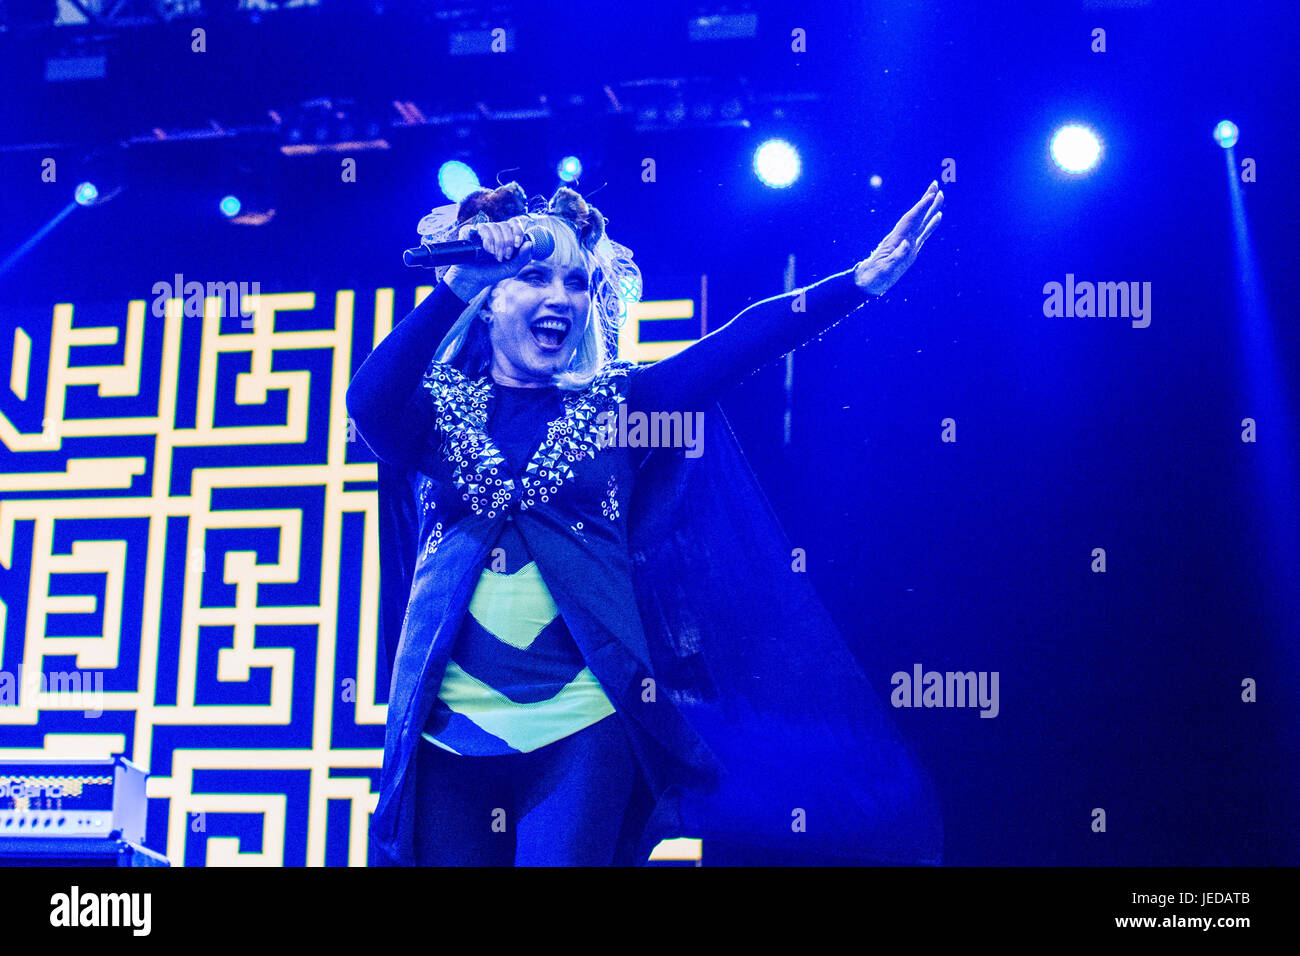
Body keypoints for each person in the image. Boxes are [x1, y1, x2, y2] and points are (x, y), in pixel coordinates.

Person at [348, 179, 945, 866]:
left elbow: (739, 342)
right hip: (450, 735)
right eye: (533, 277)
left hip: (580, 729)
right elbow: (369, 404)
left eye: (577, 283)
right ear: (489, 304)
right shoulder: (433, 414)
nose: (560, 297)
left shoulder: (623, 407)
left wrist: (856, 283)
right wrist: (457, 281)